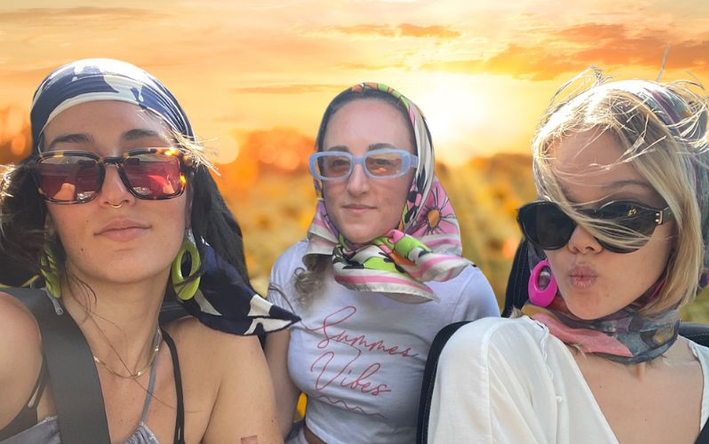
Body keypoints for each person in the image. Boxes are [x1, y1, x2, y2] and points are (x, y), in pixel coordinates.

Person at [427, 70, 709, 443]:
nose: (580, 241)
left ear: (686, 228)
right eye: (558, 216)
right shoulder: (498, 361)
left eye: (621, 215)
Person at [0, 58, 298, 444]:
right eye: (72, 170)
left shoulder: (222, 358)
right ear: (46, 211)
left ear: (189, 197)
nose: (115, 194)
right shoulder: (11, 338)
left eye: (147, 164)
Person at [264, 83, 497, 444]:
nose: (356, 185)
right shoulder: (296, 266)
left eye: (382, 163)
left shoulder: (461, 292)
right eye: (338, 162)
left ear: (417, 178)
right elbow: (273, 416)